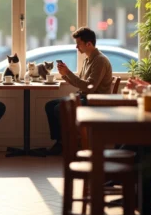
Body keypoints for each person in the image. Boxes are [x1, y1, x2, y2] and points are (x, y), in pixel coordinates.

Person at [45, 27, 113, 155]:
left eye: (78, 44)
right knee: (50, 106)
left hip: (95, 101)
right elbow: (81, 84)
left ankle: (71, 142)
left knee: (59, 109)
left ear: (88, 44)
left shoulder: (100, 60)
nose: (77, 47)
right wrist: (65, 74)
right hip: (85, 97)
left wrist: (68, 73)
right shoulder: (88, 60)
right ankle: (61, 142)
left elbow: (89, 87)